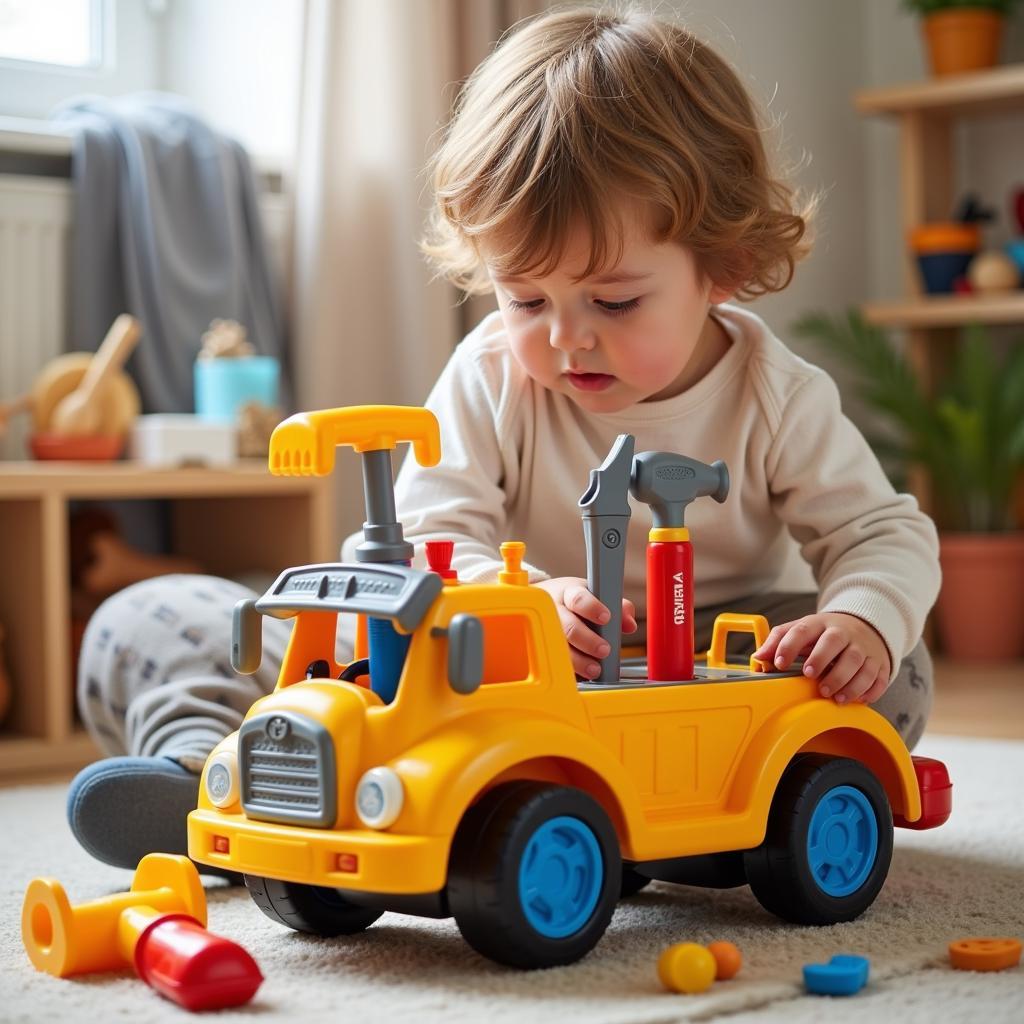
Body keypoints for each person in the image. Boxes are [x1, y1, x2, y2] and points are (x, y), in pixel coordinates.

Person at [66, 6, 938, 875]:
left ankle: (709, 812)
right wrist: (516, 608)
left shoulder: (774, 393)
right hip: (507, 669)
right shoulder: (491, 375)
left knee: (893, 672)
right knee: (140, 617)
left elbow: (880, 533)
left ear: (725, 267)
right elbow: (423, 544)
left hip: (714, 669)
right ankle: (210, 774)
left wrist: (859, 619)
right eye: (525, 300)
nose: (565, 339)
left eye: (615, 301)